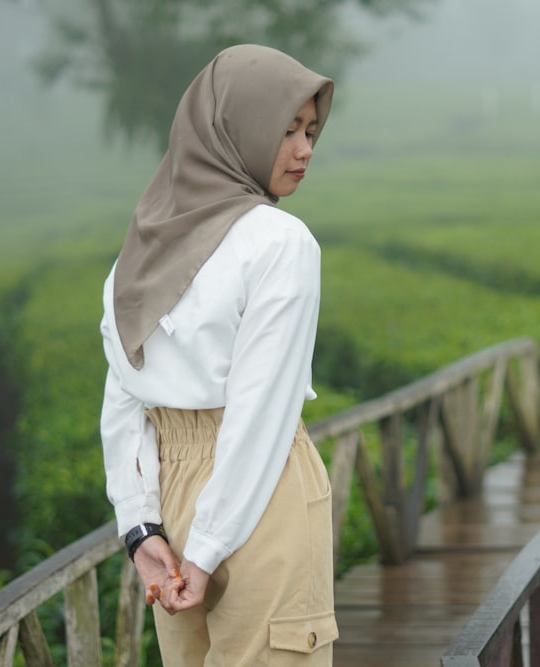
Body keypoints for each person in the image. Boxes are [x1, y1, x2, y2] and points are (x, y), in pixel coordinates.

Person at [98, 44, 337, 666]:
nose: (305, 149)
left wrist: (141, 529)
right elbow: (261, 417)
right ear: (234, 129)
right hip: (262, 494)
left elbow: (124, 405)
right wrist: (205, 549)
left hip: (171, 497)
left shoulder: (137, 253)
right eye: (285, 129)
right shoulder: (281, 242)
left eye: (310, 129)